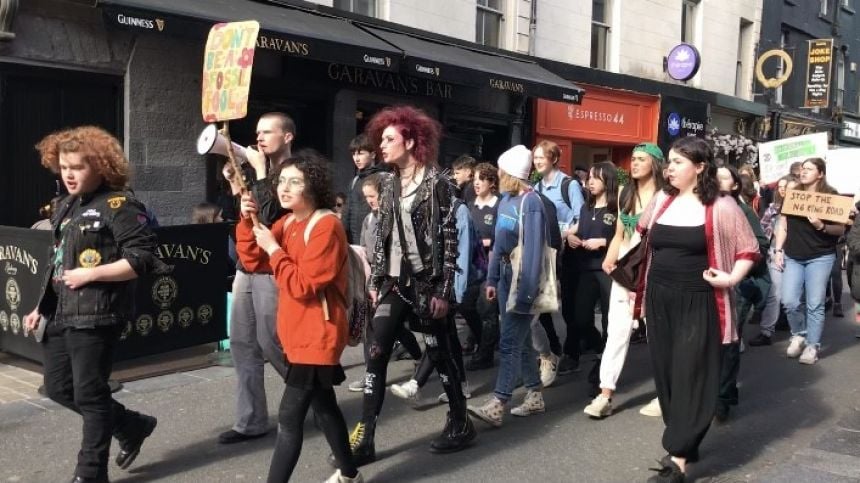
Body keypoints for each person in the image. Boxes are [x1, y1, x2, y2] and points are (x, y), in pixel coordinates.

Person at [25, 126, 168, 483]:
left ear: (101, 167)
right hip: (61, 313)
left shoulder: (120, 204)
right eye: (63, 167)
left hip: (98, 314)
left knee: (90, 394)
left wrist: (92, 275)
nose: (69, 174)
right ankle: (132, 425)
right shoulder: (65, 206)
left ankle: (90, 473)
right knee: (58, 388)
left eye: (77, 167)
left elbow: (144, 258)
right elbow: (58, 261)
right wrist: (40, 307)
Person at [347, 105, 475, 462]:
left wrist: (445, 291)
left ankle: (460, 421)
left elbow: (450, 240)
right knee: (376, 352)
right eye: (381, 139)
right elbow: (384, 236)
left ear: (411, 140)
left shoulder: (439, 184)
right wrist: (374, 281)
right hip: (394, 283)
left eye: (389, 139)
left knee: (441, 352)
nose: (382, 146)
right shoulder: (387, 184)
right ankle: (366, 437)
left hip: (428, 284)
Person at [235, 150, 362, 483]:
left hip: (318, 334)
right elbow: (253, 260)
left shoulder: (327, 226)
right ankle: (349, 473)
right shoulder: (288, 221)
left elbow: (305, 284)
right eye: (282, 181)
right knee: (324, 405)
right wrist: (249, 223)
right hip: (296, 333)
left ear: (313, 186)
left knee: (289, 419)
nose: (284, 188)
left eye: (295, 181)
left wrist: (273, 249)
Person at [636, 136, 758, 482]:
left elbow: (748, 249)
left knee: (691, 373)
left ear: (700, 167)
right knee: (667, 374)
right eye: (669, 161)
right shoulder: (661, 199)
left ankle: (676, 459)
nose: (669, 167)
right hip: (659, 297)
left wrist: (730, 278)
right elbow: (641, 234)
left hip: (699, 299)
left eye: (677, 162)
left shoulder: (722, 205)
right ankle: (686, 439)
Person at [219, 112, 293, 444]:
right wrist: (236, 187)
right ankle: (251, 421)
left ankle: (312, 396)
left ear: (287, 137)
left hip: (273, 269)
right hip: (246, 269)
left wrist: (262, 173)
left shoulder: (296, 173)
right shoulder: (253, 172)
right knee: (242, 343)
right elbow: (243, 221)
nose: (259, 138)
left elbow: (271, 216)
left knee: (271, 341)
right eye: (257, 132)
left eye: (268, 132)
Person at [468, 145, 548, 427]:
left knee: (510, 341)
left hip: (520, 278)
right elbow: (498, 247)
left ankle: (499, 402)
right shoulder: (506, 200)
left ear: (512, 173)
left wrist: (526, 292)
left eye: (502, 170)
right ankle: (535, 394)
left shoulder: (531, 202)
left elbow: (535, 251)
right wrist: (492, 279)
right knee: (522, 340)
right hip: (503, 275)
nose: (497, 174)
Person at [584, 142, 664, 419]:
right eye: (633, 158)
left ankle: (666, 393)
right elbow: (620, 232)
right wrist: (611, 257)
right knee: (616, 334)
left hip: (654, 272)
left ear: (655, 163)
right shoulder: (625, 194)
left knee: (659, 337)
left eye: (642, 159)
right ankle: (605, 394)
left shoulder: (665, 196)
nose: (635, 163)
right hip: (626, 271)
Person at [347, 174, 422, 394]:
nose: (370, 200)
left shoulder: (395, 218)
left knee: (389, 327)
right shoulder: (369, 219)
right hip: (371, 279)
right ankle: (372, 373)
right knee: (372, 329)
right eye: (366, 196)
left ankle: (415, 358)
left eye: (373, 195)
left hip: (391, 281)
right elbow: (363, 248)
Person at [773, 158, 845, 364]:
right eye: (802, 169)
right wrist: (778, 250)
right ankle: (799, 334)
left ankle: (812, 345)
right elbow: (783, 225)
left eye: (809, 169)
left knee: (814, 303)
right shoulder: (794, 194)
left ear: (820, 174)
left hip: (820, 256)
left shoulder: (831, 196)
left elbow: (839, 229)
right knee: (789, 301)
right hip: (793, 255)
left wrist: (821, 225)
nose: (803, 172)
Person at [714, 165, 770, 422]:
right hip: (713, 279)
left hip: (738, 282)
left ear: (735, 185)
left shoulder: (742, 210)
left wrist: (738, 261)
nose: (717, 180)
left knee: (728, 340)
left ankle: (723, 397)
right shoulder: (707, 206)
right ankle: (725, 389)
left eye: (724, 177)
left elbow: (760, 245)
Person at [533, 140, 584, 378]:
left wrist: (563, 233)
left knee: (569, 307)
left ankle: (572, 353)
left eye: (542, 157)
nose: (538, 161)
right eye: (535, 158)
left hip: (568, 252)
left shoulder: (568, 185)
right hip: (546, 252)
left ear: (554, 158)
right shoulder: (536, 188)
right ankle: (554, 347)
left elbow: (581, 219)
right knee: (543, 303)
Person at [566, 162, 618, 373]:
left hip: (608, 271)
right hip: (586, 269)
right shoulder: (585, 208)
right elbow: (576, 230)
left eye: (596, 178)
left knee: (609, 320)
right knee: (581, 318)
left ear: (608, 180)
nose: (591, 182)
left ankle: (603, 367)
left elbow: (625, 238)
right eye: (589, 178)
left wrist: (603, 243)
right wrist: (571, 237)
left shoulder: (617, 208)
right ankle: (597, 346)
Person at [750, 175, 797, 346]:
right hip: (775, 253)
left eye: (788, 186)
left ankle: (798, 333)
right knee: (774, 294)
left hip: (796, 255)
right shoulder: (772, 208)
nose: (784, 189)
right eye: (781, 186)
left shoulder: (801, 209)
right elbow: (762, 230)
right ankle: (766, 332)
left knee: (793, 297)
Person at [464, 162, 500, 370]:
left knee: (487, 310)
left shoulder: (499, 205)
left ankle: (485, 354)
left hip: (490, 266)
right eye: (474, 179)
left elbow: (501, 235)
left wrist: (487, 242)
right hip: (471, 267)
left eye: (481, 179)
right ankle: (482, 341)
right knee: (466, 305)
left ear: (491, 182)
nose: (476, 183)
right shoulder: (469, 206)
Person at [342, 134, 388, 245]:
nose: (356, 158)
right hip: (354, 242)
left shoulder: (383, 178)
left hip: (375, 240)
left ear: (373, 155)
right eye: (353, 154)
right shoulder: (354, 181)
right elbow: (347, 212)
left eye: (361, 153)